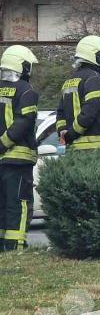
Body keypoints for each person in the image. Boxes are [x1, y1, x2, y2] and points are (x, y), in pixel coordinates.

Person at [0, 46, 39, 251]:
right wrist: (4, 143)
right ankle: (16, 245)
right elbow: (25, 121)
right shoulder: (25, 90)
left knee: (3, 204)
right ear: (22, 66)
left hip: (2, 160)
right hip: (18, 158)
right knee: (19, 202)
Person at [57, 36, 100, 151]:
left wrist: (64, 133)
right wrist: (72, 133)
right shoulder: (94, 78)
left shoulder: (69, 81)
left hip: (74, 148)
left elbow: (60, 113)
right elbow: (90, 110)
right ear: (98, 57)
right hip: (99, 147)